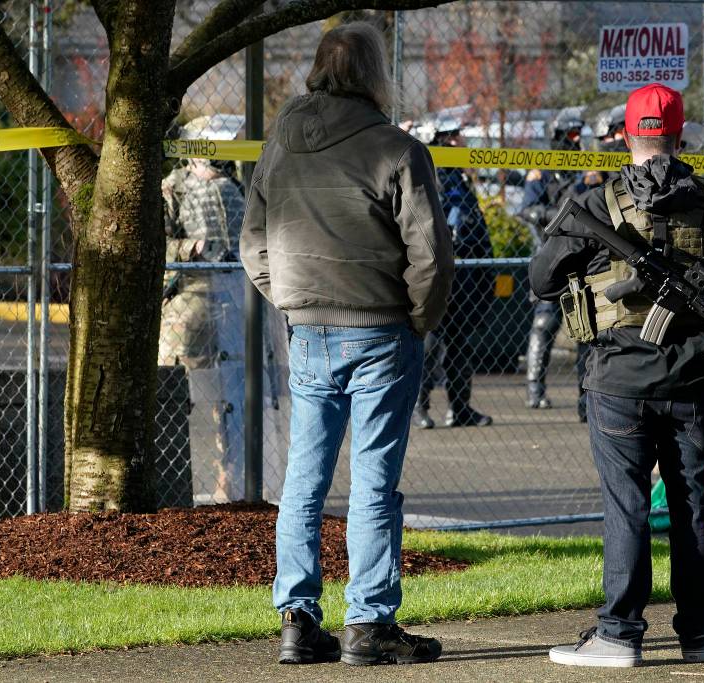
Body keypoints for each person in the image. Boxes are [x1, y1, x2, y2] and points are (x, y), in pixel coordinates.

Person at [531, 83, 704, 668]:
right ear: (681, 136)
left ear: (625, 136)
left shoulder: (592, 205)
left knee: (627, 507)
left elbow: (541, 279)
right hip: (697, 382)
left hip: (619, 381)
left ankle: (618, 635)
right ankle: (698, 635)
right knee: (693, 506)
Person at [239, 22, 454, 666]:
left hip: (307, 328)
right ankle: (370, 623)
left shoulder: (281, 144)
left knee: (303, 480)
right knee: (373, 481)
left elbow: (252, 235)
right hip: (381, 329)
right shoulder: (397, 150)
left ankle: (298, 621)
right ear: (374, 74)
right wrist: (419, 318)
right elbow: (432, 256)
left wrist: (287, 294)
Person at [159, 115, 247, 503]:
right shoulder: (173, 187)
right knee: (175, 395)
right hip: (188, 306)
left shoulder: (235, 188)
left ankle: (231, 482)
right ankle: (170, 482)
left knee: (232, 402)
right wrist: (187, 249)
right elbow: (154, 246)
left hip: (232, 303)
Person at [412, 116, 495, 428]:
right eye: (457, 135)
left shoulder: (458, 175)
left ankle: (460, 408)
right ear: (445, 140)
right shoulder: (435, 175)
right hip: (443, 271)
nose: (462, 140)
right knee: (432, 342)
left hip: (465, 273)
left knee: (460, 342)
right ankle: (419, 406)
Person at [522, 106, 590, 417]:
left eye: (578, 135)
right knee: (544, 323)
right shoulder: (542, 169)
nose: (575, 141)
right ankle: (535, 389)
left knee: (586, 327)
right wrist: (562, 216)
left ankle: (586, 397)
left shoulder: (588, 168)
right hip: (550, 253)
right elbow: (529, 211)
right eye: (570, 135)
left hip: (581, 256)